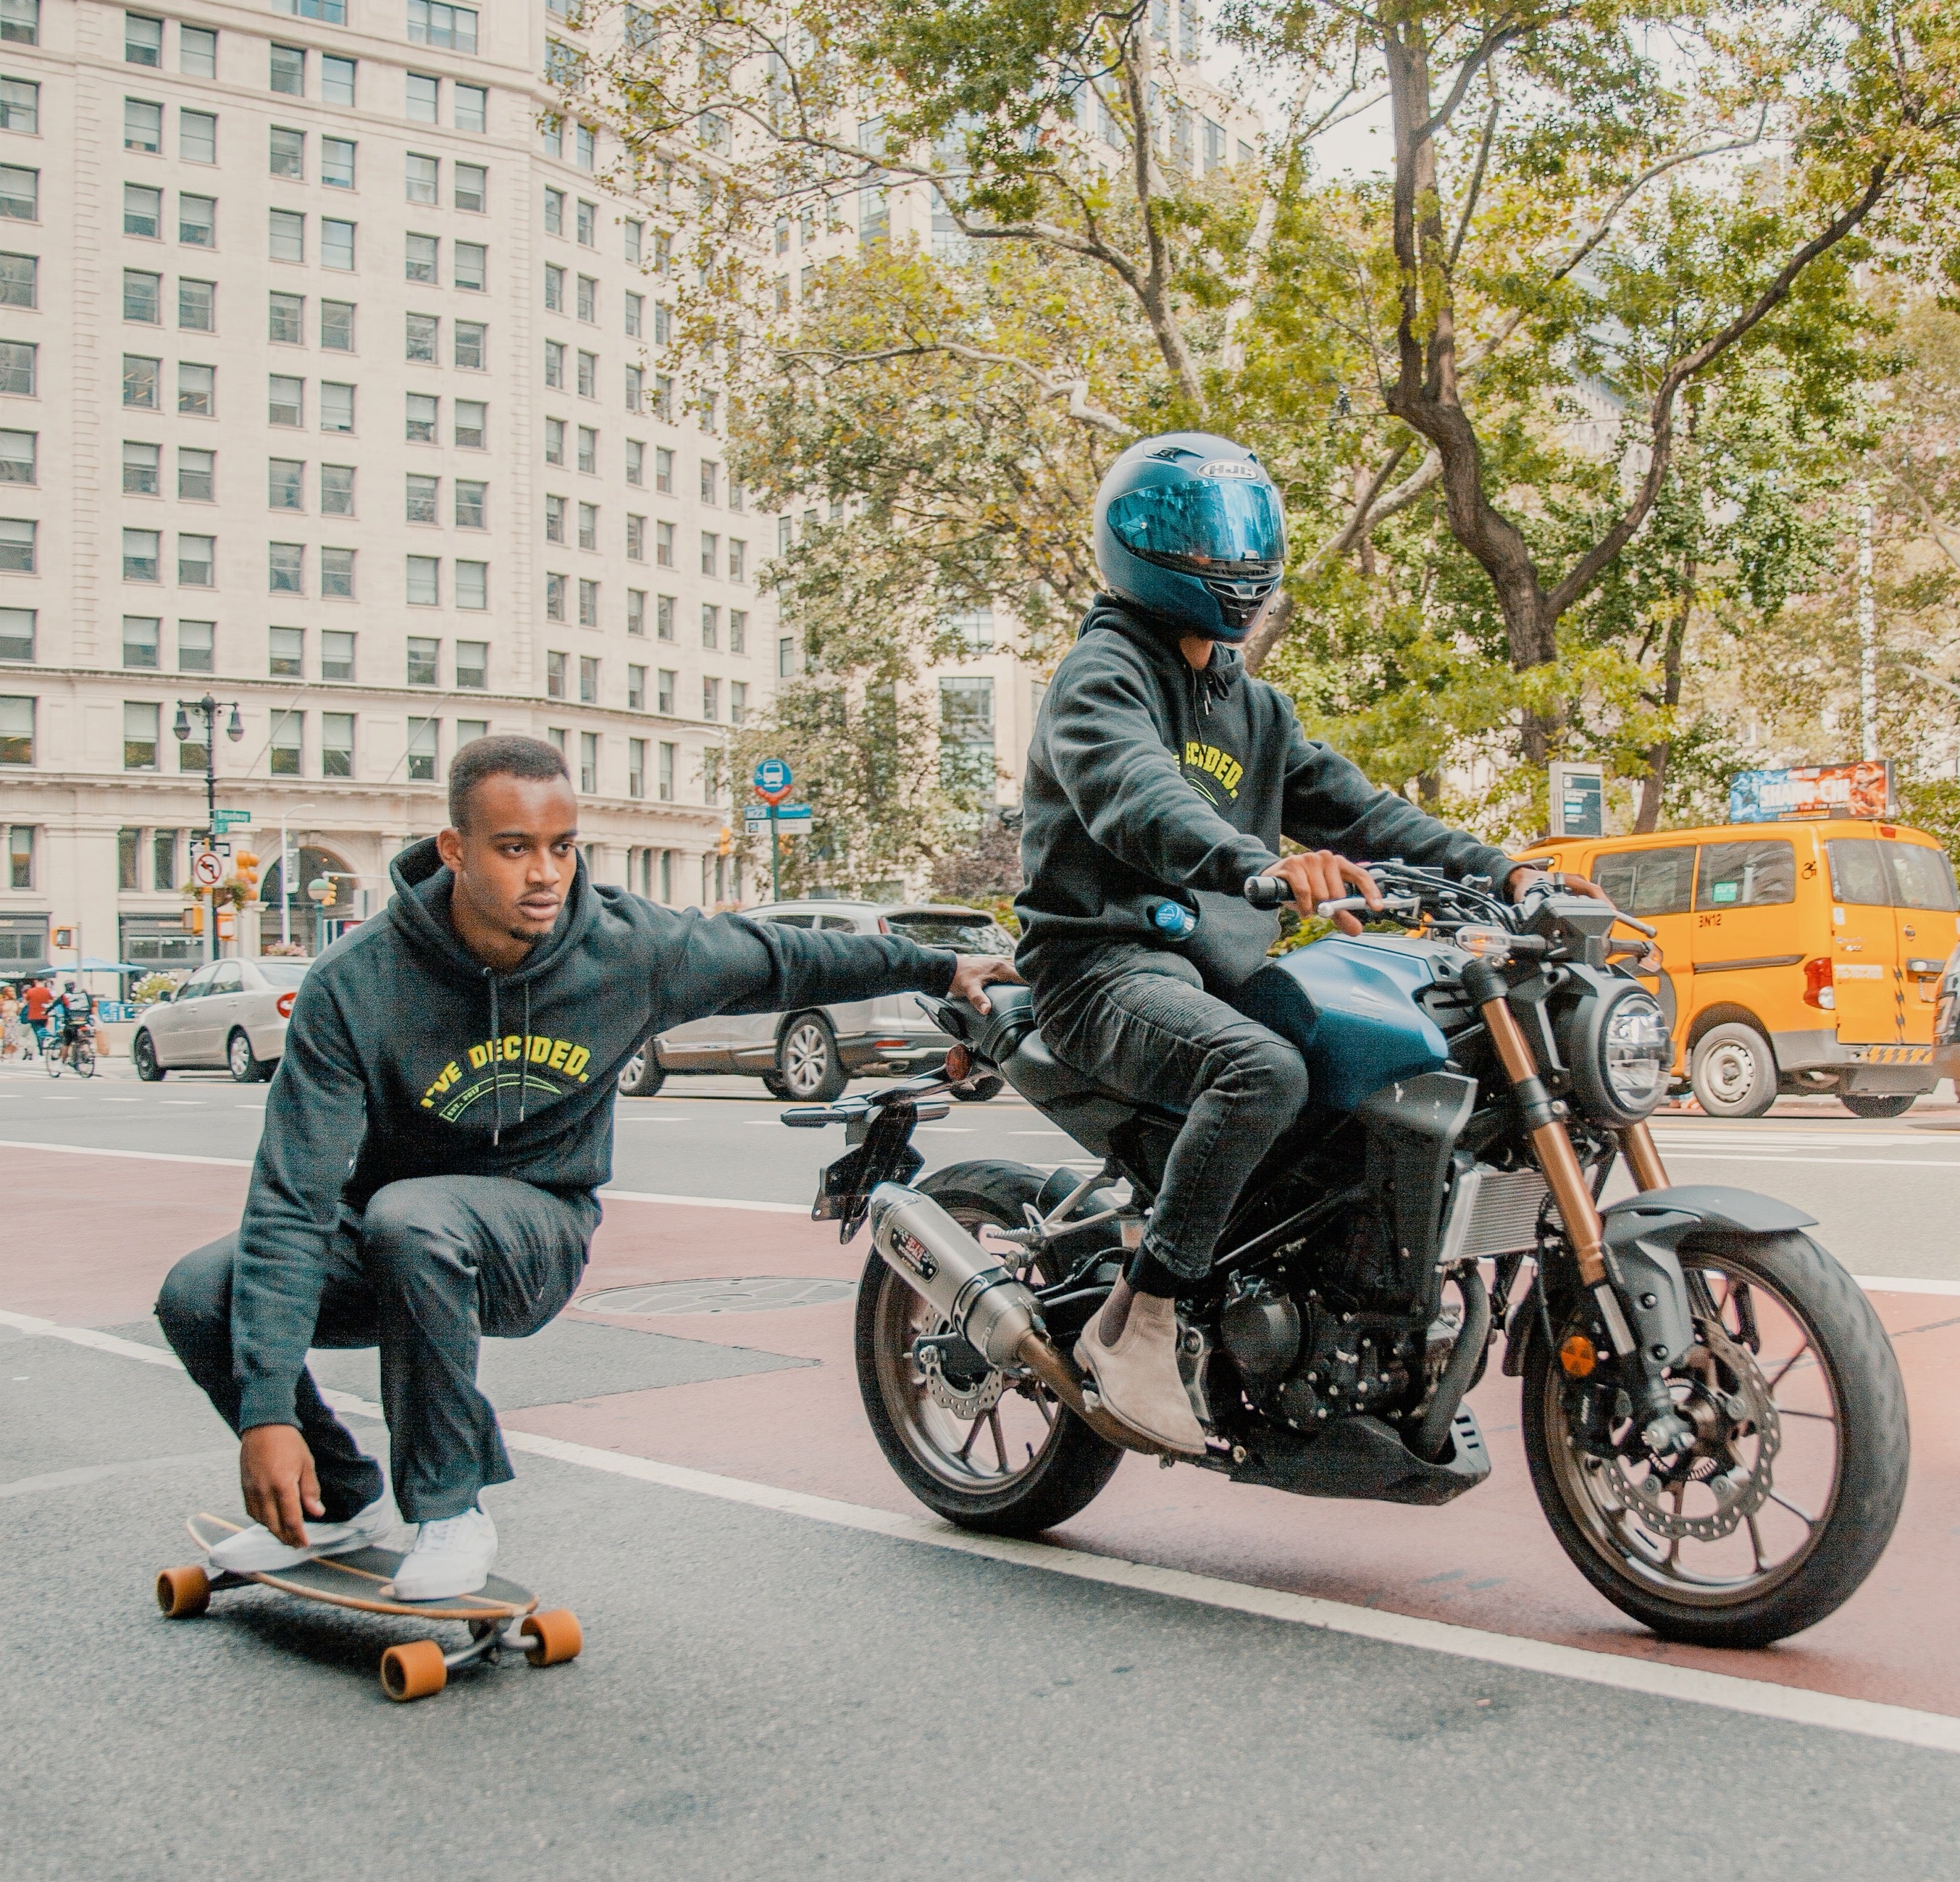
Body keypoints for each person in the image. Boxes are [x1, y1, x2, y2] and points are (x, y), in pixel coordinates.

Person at [156, 735, 1018, 1600]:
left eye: (563, 847)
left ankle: (451, 1508)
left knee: (410, 1218)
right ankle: (341, 1503)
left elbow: (785, 956)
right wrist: (267, 1412)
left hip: (533, 1235)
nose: (545, 875)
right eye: (514, 848)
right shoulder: (355, 983)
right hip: (387, 1240)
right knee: (200, 1292)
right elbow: (292, 1196)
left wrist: (941, 966)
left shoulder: (628, 948)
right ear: (454, 851)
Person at [1016, 431, 1544, 1455]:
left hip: (1219, 969)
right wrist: (1248, 863)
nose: (1232, 561)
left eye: (1242, 535)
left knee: (1370, 1049)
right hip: (1100, 968)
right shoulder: (1102, 674)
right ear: (1140, 548)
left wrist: (1504, 870)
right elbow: (1135, 791)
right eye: (1203, 539)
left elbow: (1361, 811)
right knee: (1258, 1068)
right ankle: (1145, 1323)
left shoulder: (1254, 707)